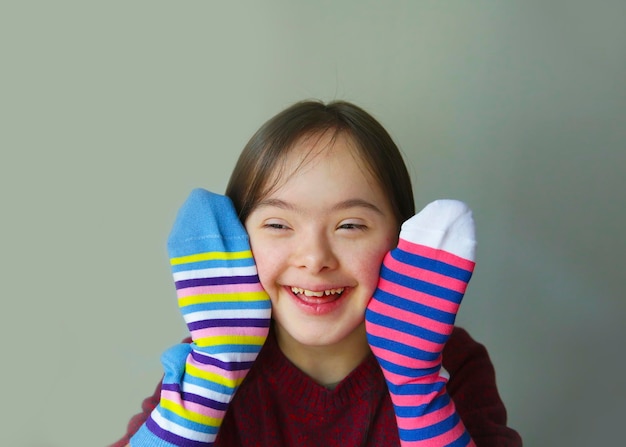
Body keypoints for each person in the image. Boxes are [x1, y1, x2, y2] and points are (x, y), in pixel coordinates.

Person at [111, 100, 522, 446]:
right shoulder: (208, 357)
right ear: (235, 243)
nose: (314, 258)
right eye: (278, 225)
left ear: (404, 241)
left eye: (350, 226)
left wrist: (416, 383)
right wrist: (213, 375)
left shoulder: (449, 361)